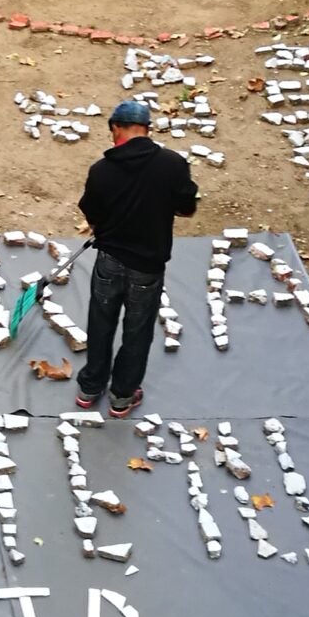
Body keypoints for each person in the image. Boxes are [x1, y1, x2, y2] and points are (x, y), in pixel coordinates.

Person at [74, 97, 199, 416]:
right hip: (148, 266)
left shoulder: (101, 170)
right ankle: (122, 395)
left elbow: (91, 210)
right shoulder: (173, 164)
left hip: (109, 261)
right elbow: (186, 208)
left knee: (100, 321)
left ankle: (90, 388)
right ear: (145, 129)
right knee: (138, 329)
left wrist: (101, 226)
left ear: (117, 128)